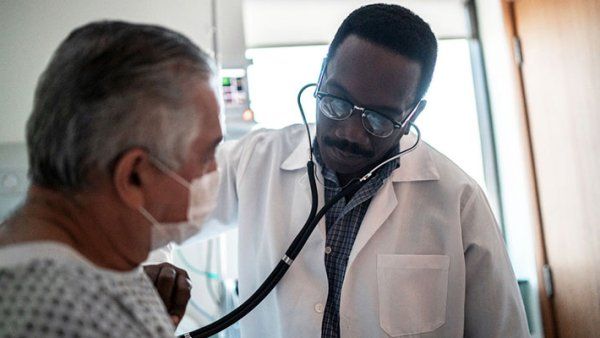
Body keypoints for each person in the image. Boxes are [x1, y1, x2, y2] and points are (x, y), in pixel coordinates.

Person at [165, 3, 530, 338]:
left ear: (412, 115)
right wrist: (152, 271)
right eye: (337, 102)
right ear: (322, 75)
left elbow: (502, 331)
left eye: (379, 118)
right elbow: (147, 211)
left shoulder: (457, 201)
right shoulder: (255, 160)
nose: (350, 133)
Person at [0, 21, 222, 337]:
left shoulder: (94, 264)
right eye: (206, 155)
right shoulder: (63, 318)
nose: (214, 172)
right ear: (134, 176)